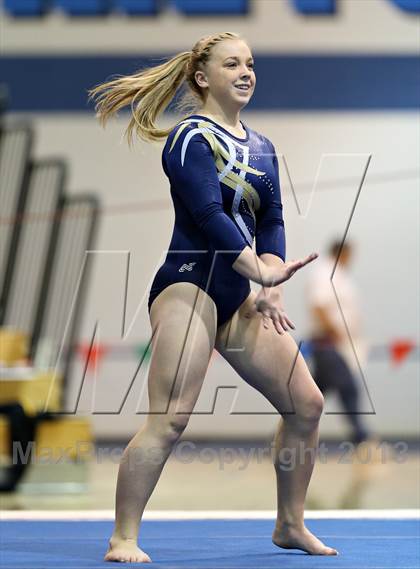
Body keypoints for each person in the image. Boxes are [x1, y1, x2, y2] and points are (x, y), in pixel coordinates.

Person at [89, 31, 337, 563]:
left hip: (237, 292)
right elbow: (208, 215)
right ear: (203, 78)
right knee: (172, 418)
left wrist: (271, 278)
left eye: (250, 63)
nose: (246, 71)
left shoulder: (263, 147)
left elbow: (270, 219)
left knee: (307, 405)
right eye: (232, 64)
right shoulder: (190, 138)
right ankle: (123, 537)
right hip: (188, 284)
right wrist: (255, 270)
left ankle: (290, 524)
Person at [306, 239, 371, 445]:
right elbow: (319, 306)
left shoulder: (340, 276)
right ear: (343, 253)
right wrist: (335, 335)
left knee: (309, 399)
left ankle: (280, 439)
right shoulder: (326, 273)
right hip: (328, 344)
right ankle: (364, 442)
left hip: (338, 345)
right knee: (348, 389)